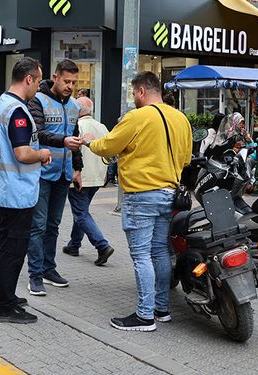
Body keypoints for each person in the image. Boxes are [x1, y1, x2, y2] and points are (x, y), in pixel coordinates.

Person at [76, 71, 192, 331]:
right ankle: (162, 309)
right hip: (168, 194)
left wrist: (90, 143)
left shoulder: (137, 117)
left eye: (133, 93)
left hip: (141, 195)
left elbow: (108, 147)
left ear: (141, 91)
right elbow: (185, 159)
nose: (133, 98)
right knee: (160, 251)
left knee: (141, 255)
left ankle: (144, 316)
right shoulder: (181, 118)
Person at [0, 56, 51, 324]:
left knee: (3, 244)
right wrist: (43, 153)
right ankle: (4, 306)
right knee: (13, 249)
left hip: (0, 189)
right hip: (16, 193)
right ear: (28, 79)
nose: (38, 86)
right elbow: (23, 153)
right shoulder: (18, 112)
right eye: (37, 81)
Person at [26, 59, 83, 296]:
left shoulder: (74, 106)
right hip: (42, 173)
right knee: (38, 226)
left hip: (63, 174)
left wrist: (78, 169)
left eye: (74, 82)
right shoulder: (37, 100)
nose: (70, 86)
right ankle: (35, 275)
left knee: (53, 225)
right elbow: (37, 134)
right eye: (67, 81)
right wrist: (62, 141)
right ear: (56, 77)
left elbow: (75, 137)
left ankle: (49, 269)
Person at [62, 96, 114, 265]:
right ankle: (74, 244)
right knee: (81, 211)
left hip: (81, 177)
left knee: (81, 213)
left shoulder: (77, 126)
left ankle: (102, 245)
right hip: (98, 177)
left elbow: (71, 151)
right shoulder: (102, 126)